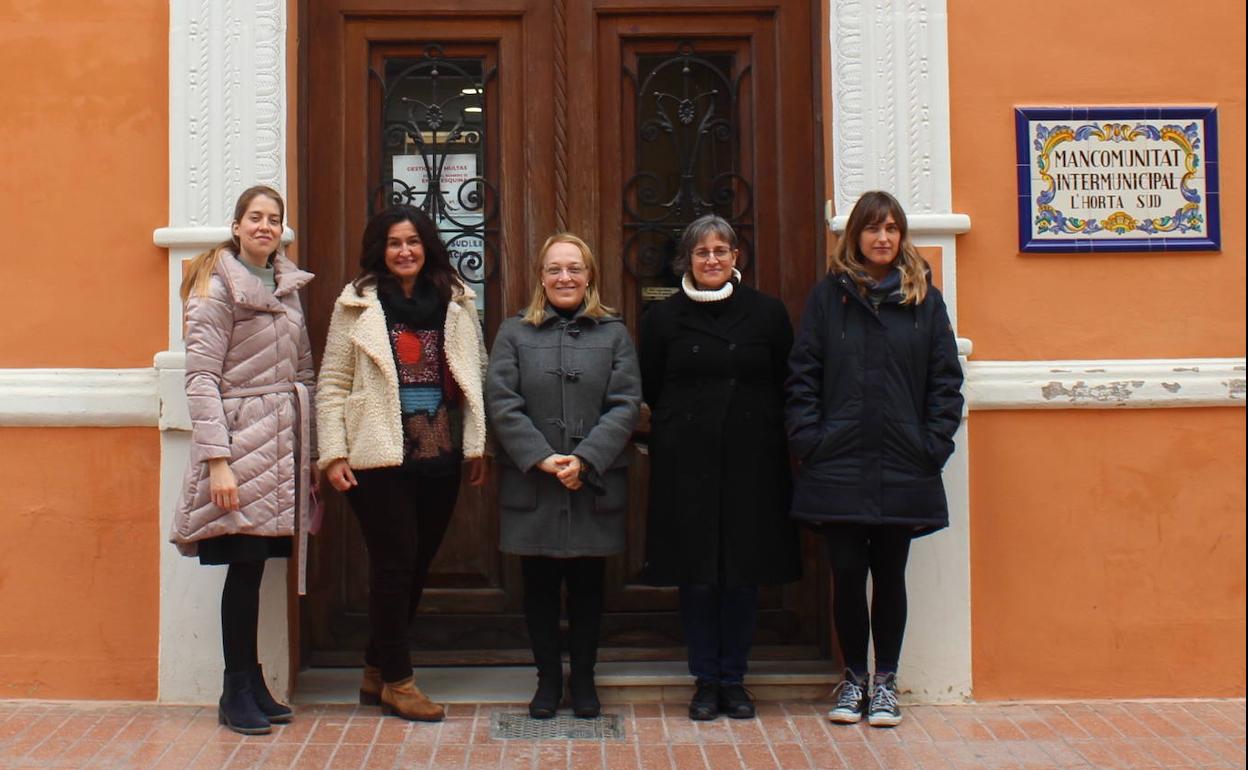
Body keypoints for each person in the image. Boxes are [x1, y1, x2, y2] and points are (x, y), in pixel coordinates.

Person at [786, 190, 964, 728]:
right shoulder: (828, 298)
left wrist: (932, 443)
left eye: (891, 228)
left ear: (901, 235)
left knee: (890, 574)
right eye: (872, 229)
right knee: (846, 573)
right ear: (854, 237)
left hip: (903, 461)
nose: (883, 238)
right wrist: (810, 440)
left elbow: (945, 380)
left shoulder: (923, 299)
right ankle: (853, 680)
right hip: (837, 462)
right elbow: (803, 375)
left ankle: (885, 681)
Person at [316, 205, 488, 722]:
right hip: (377, 453)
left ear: (427, 245)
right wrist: (333, 452)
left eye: (413, 241)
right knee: (394, 564)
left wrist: (478, 444)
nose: (405, 251)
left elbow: (475, 370)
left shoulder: (457, 302)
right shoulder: (356, 306)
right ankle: (399, 681)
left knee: (415, 566)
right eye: (394, 243)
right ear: (380, 251)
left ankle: (375, 667)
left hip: (440, 451)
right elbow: (331, 384)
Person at [640, 214, 802, 721]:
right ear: (685, 260)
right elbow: (650, 385)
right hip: (686, 465)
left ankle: (735, 679)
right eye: (702, 252)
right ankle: (704, 679)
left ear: (737, 257)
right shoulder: (663, 319)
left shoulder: (768, 314)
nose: (712, 260)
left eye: (722, 251)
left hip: (753, 462)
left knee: (741, 575)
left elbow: (786, 379)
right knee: (698, 576)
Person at [170, 185, 315, 735]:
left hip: (280, 448)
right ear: (236, 226)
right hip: (238, 444)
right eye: (255, 218)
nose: (264, 226)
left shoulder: (289, 285)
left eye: (274, 219)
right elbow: (201, 377)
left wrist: (309, 451)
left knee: (256, 568)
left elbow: (303, 370)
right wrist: (217, 462)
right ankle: (234, 690)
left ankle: (253, 683)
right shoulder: (214, 286)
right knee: (242, 565)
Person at [486, 233, 642, 719]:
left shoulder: (614, 334)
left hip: (593, 483)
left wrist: (586, 459)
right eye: (554, 269)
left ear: (589, 275)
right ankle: (548, 680)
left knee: (589, 588)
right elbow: (502, 401)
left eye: (574, 268)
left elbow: (625, 403)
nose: (565, 278)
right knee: (537, 586)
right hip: (534, 482)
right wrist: (543, 457)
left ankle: (586, 680)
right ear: (541, 277)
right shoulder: (514, 333)